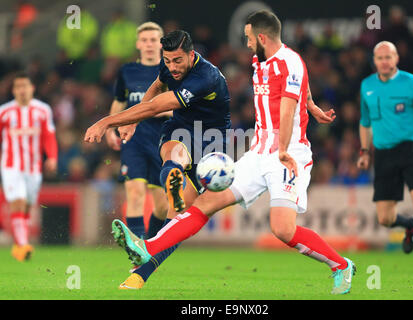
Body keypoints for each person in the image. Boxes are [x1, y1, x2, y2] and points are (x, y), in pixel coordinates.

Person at [104, 11, 356, 295]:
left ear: (261, 37)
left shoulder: (289, 62)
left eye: (248, 38)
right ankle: (146, 247)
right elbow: (302, 87)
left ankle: (341, 265)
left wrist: (283, 149)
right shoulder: (262, 60)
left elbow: (286, 110)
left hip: (288, 155)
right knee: (204, 204)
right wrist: (313, 107)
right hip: (258, 153)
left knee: (283, 230)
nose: (246, 44)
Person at [85, 29, 232, 289]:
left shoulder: (205, 77)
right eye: (167, 61)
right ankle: (173, 175)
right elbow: (157, 86)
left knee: (177, 220)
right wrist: (134, 122)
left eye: (178, 61)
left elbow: (155, 107)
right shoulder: (170, 67)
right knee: (173, 155)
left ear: (192, 54)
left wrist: (106, 122)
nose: (172, 67)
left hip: (211, 141)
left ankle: (141, 271)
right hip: (181, 129)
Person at [357, 41, 413, 272]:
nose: (384, 61)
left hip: (411, 149)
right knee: (385, 219)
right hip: (384, 154)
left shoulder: (412, 83)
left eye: (389, 57)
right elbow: (365, 123)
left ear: (396, 58)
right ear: (374, 61)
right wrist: (365, 152)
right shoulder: (367, 86)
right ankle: (409, 226)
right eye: (380, 58)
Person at [105, 22, 170, 263]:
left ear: (161, 44)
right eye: (145, 40)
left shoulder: (170, 71)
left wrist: (158, 110)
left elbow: (183, 106)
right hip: (132, 140)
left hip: (161, 142)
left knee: (162, 206)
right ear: (138, 44)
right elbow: (119, 102)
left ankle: (147, 244)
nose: (149, 44)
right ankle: (137, 250)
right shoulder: (127, 71)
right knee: (134, 193)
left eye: (154, 40)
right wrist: (112, 126)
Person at [0, 72, 58, 261]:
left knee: (27, 204)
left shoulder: (43, 110)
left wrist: (52, 157)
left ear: (32, 88)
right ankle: (24, 244)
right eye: (18, 87)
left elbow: (49, 135)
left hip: (33, 166)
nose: (22, 90)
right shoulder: (5, 112)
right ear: (14, 90)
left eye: (25, 86)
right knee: (17, 199)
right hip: (11, 165)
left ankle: (18, 244)